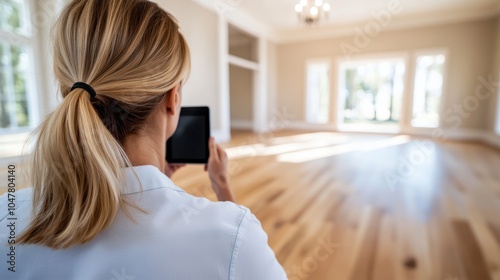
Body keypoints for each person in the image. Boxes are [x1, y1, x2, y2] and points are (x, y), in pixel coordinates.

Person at [0, 0, 287, 279]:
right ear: (173, 98)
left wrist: (153, 182)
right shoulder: (233, 237)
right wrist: (222, 186)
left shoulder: (8, 216)